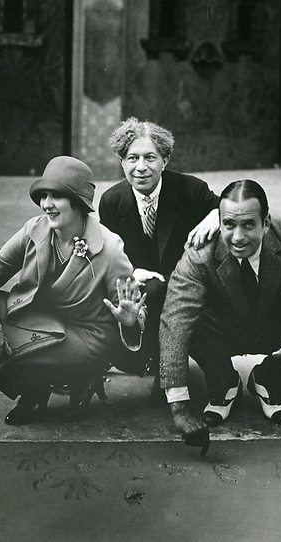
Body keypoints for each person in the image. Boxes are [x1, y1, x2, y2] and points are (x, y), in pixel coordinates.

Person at [0, 156, 146, 425]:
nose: (46, 205)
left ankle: (80, 376)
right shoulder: (34, 230)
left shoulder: (109, 249)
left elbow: (133, 311)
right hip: (42, 321)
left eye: (56, 196)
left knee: (15, 348)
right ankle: (35, 390)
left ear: (78, 202)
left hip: (89, 334)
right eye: (43, 195)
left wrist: (130, 321)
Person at [159, 179, 281, 454]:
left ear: (267, 222)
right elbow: (174, 322)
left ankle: (268, 381)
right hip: (222, 329)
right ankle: (223, 384)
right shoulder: (200, 253)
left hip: (275, 322)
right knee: (188, 326)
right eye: (229, 225)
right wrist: (178, 408)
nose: (237, 237)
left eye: (248, 224)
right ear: (220, 221)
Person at [98, 117, 220, 403]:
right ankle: (135, 358)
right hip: (137, 283)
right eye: (132, 158)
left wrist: (216, 214)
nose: (141, 167)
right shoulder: (112, 201)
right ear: (121, 162)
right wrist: (132, 273)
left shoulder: (190, 190)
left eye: (150, 158)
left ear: (165, 160)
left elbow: (231, 203)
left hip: (183, 286)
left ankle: (168, 375)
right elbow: (110, 253)